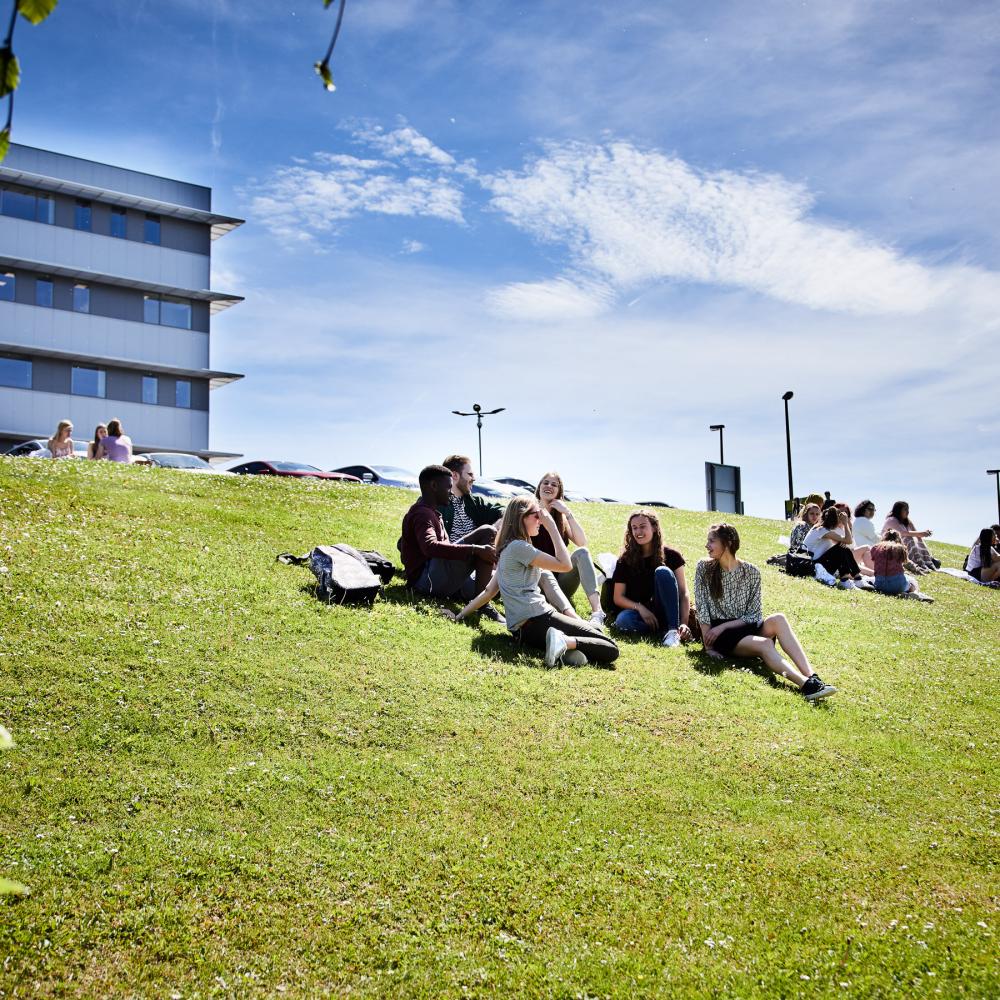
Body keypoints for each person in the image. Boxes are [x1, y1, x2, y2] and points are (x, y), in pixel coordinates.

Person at [457, 496, 619, 668]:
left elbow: (489, 592)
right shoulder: (519, 547)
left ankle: (564, 647)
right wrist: (553, 528)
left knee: (590, 641)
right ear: (522, 517)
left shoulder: (507, 549)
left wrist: (459, 616)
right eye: (537, 515)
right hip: (538, 617)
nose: (541, 520)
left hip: (523, 632)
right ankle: (563, 641)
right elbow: (565, 565)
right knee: (611, 648)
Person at [694, 524, 836, 701]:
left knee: (779, 618)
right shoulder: (704, 568)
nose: (707, 545)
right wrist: (709, 647)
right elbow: (702, 606)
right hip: (722, 636)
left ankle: (812, 676)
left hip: (744, 627)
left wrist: (724, 627)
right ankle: (806, 686)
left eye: (711, 541)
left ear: (728, 543)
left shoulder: (752, 572)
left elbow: (754, 615)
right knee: (765, 644)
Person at [399, 465, 497, 602]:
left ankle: (479, 599)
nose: (451, 493)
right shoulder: (422, 513)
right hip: (426, 581)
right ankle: (482, 604)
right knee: (487, 531)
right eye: (448, 487)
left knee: (499, 579)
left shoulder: (431, 512)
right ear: (434, 485)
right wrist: (476, 550)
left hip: (436, 578)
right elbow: (430, 547)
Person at [533, 472, 605, 627]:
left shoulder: (561, 518)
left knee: (582, 553)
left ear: (559, 491)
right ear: (539, 487)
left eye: (554, 484)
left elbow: (582, 543)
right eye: (545, 483)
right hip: (535, 581)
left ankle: (597, 612)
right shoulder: (528, 513)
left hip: (560, 584)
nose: (549, 486)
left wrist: (568, 513)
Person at [610, 510, 690, 648]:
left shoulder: (672, 556)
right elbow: (618, 597)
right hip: (640, 614)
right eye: (634, 528)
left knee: (662, 571)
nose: (638, 531)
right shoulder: (625, 560)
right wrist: (640, 608)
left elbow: (683, 593)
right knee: (623, 620)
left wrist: (684, 623)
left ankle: (673, 631)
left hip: (667, 610)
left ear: (654, 527)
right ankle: (660, 632)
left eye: (642, 526)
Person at [804, 506, 866, 588]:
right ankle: (850, 580)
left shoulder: (821, 529)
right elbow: (849, 540)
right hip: (813, 567)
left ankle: (856, 579)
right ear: (836, 520)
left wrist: (843, 542)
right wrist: (846, 523)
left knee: (842, 547)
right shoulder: (822, 530)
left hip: (817, 565)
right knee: (841, 548)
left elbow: (847, 542)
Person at [882, 501, 937, 573]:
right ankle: (915, 562)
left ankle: (927, 560)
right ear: (898, 510)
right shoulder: (891, 520)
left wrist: (922, 535)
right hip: (888, 545)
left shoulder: (906, 521)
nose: (908, 512)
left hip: (900, 545)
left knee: (916, 538)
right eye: (905, 509)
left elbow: (916, 533)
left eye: (908, 509)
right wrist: (921, 533)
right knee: (909, 539)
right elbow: (902, 533)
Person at [870, 530, 920, 595]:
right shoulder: (900, 548)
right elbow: (905, 562)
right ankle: (915, 593)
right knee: (912, 581)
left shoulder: (875, 547)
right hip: (898, 586)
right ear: (899, 539)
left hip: (879, 585)